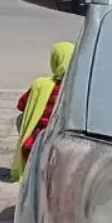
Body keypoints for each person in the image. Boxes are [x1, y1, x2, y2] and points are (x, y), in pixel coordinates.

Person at [11, 41, 74, 181]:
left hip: (38, 142)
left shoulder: (41, 84)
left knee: (21, 119)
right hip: (69, 143)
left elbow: (21, 106)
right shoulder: (78, 87)